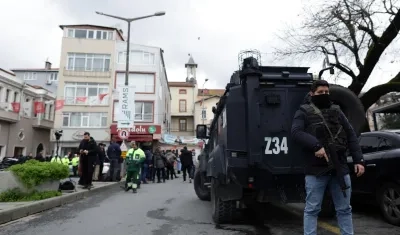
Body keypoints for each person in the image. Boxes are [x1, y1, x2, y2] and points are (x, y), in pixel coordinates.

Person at [291, 80, 365, 235]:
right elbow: (296, 132)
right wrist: (316, 146)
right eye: (320, 92)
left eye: (326, 92)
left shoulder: (337, 111)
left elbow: (351, 135)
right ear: (312, 94)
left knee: (344, 209)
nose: (324, 95)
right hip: (316, 169)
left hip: (340, 167)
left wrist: (359, 160)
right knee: (312, 209)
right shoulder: (303, 111)